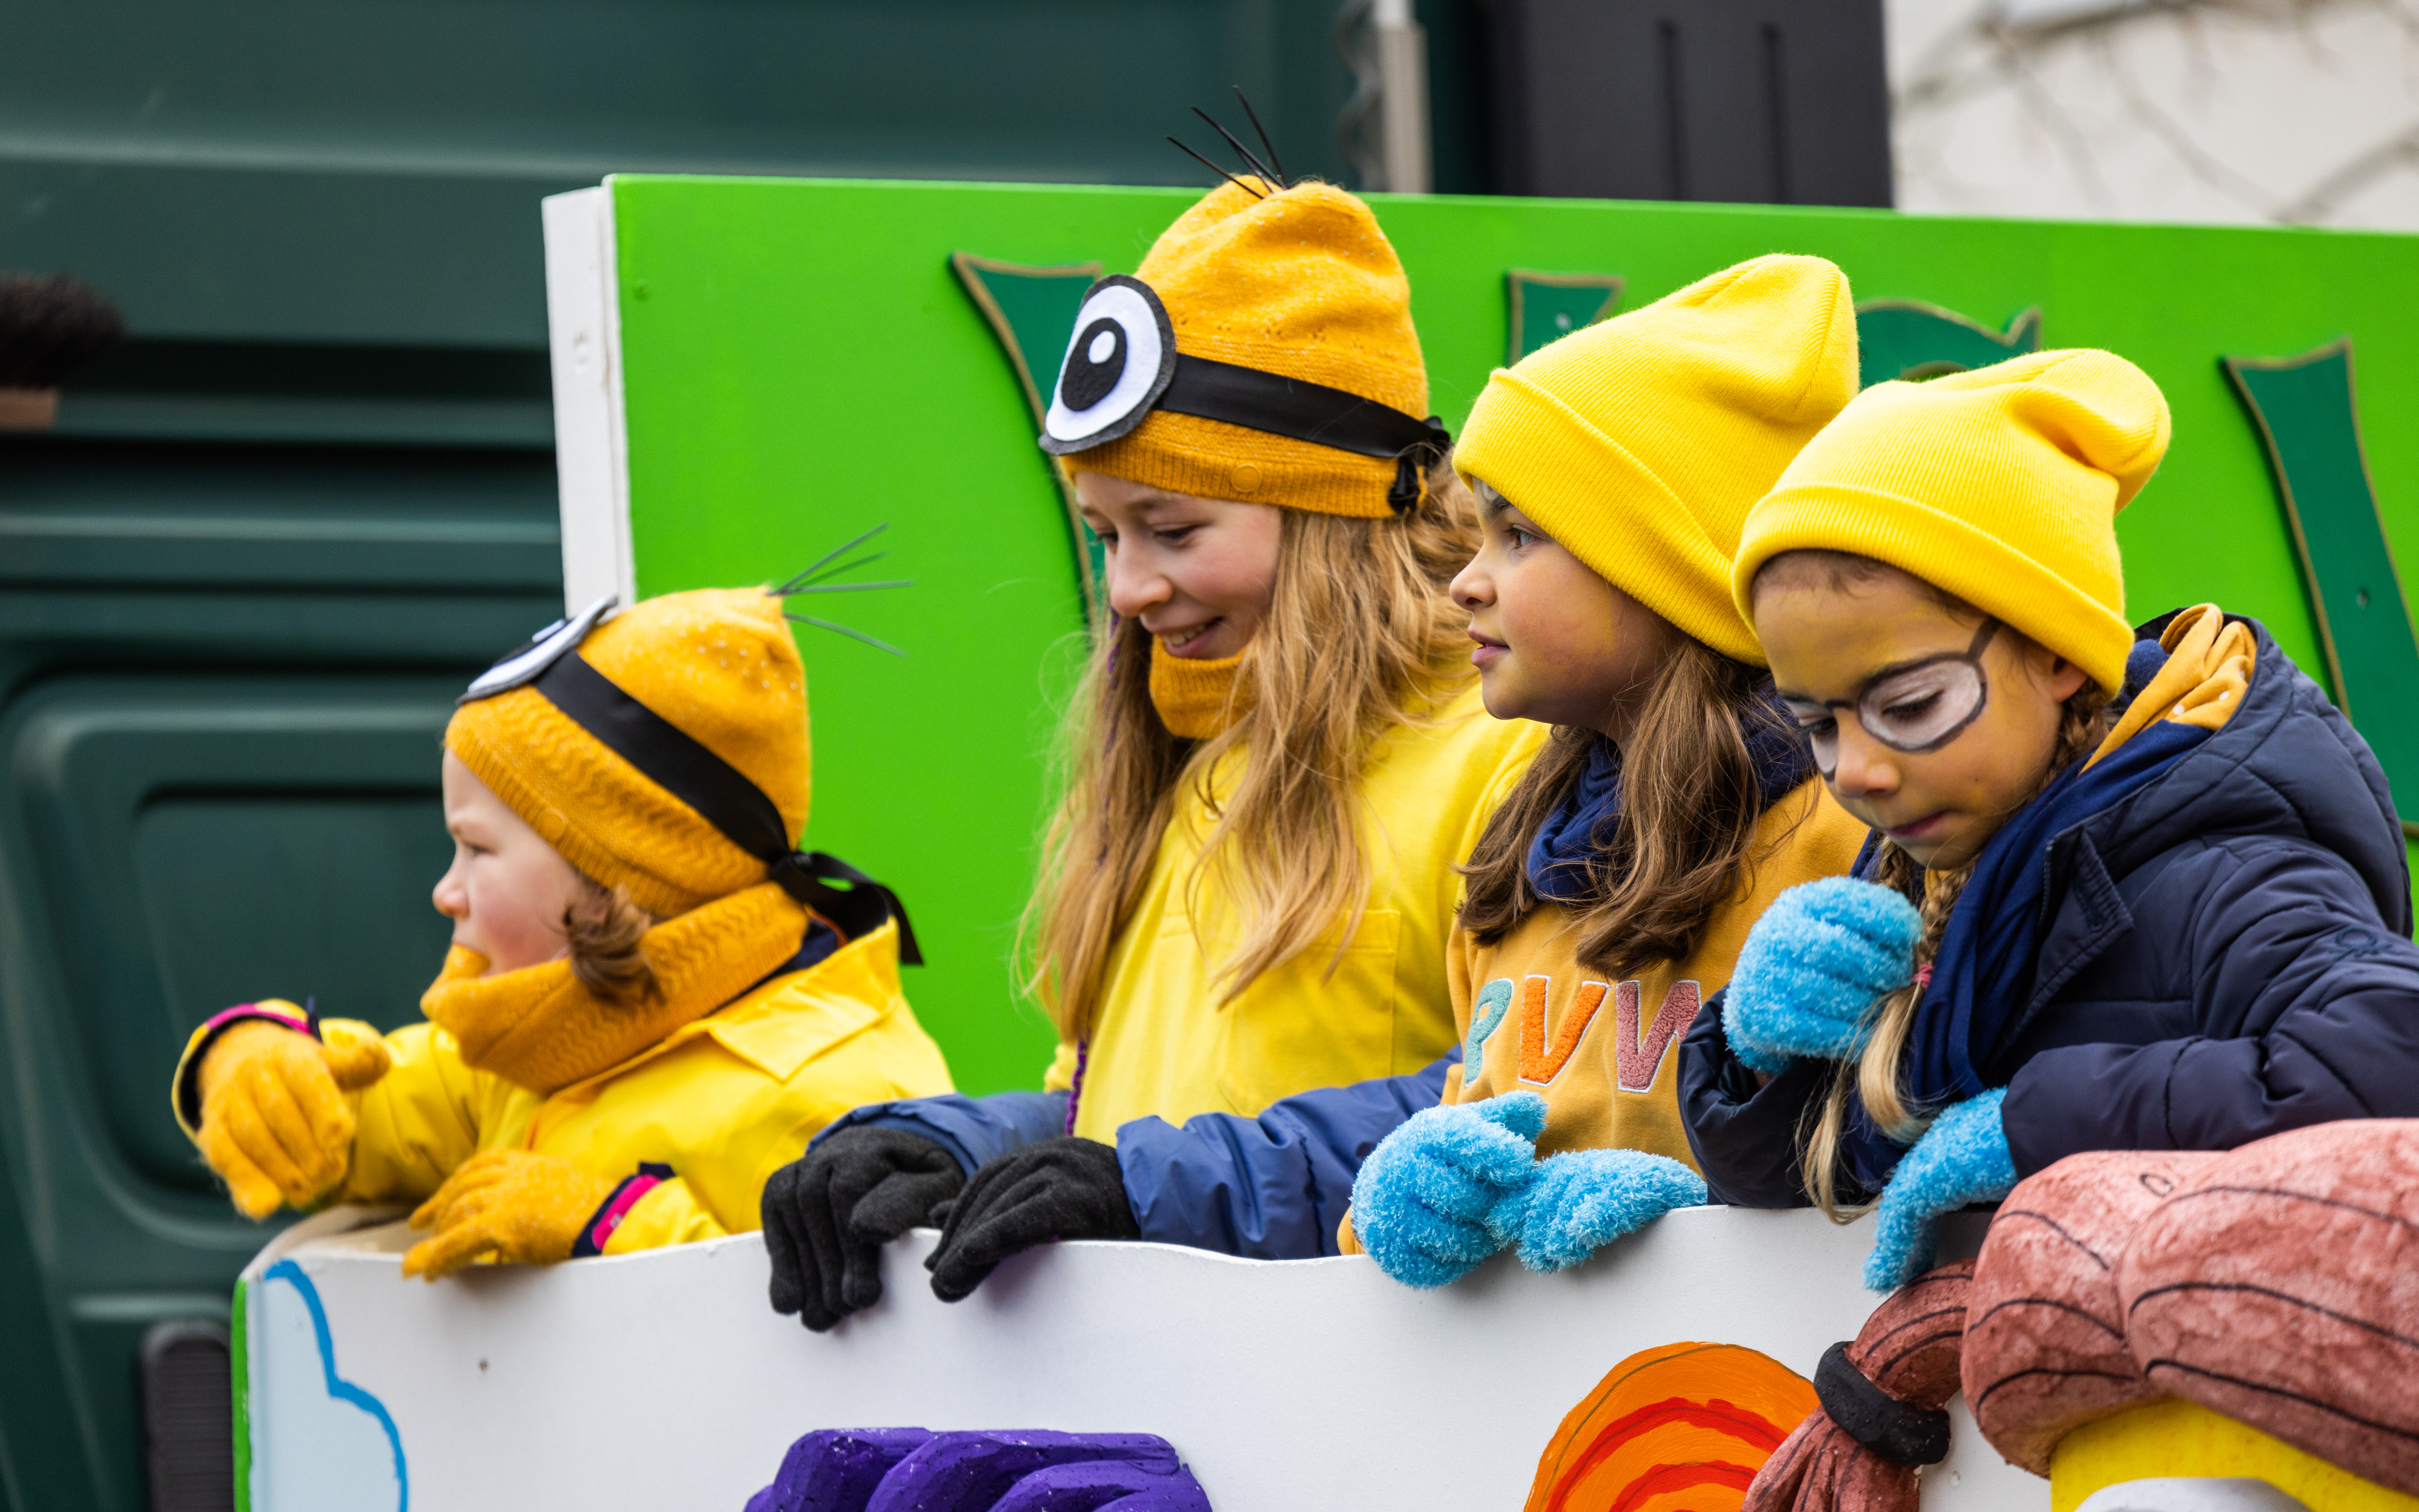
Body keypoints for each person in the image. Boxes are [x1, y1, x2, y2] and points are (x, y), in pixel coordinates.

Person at [758, 174, 1545, 1330]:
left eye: (1172, 530)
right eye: (1106, 535)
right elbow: (1114, 1119)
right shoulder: (1193, 756)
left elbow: (1532, 1101)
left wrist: (1152, 1188)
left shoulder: (1502, 751)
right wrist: (953, 1144)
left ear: (1332, 509)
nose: (1127, 589)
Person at [1675, 347, 2419, 1290]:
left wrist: (2035, 1128)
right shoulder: (1937, 855)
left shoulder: (2224, 866)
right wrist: (1757, 1065)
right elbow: (1812, 1195)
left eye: (1909, 705)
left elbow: (2390, 1059)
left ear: (2058, 654)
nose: (1854, 771)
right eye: (1818, 725)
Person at [1343, 255, 1874, 1288]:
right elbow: (1473, 1109)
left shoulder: (1843, 829)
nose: (1464, 584)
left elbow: (1883, 1171)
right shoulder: (1516, 838)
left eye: (1518, 535)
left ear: (1669, 570)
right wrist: (1389, 1222)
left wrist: (1692, 1235)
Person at [175, 587, 951, 1277]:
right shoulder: (539, 1041)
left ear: (621, 877)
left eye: (476, 848)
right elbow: (350, 1121)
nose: (445, 892)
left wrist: (610, 1225)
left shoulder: (837, 1097)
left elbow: (871, 1340)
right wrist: (249, 1054)